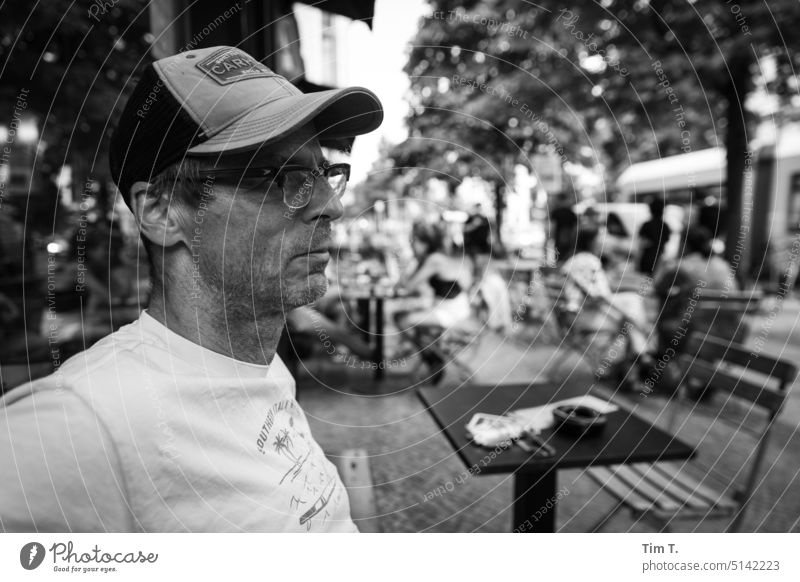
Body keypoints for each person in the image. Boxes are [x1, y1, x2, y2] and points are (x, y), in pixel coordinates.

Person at [0, 46, 383, 532]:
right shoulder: (80, 426)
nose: (331, 206)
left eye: (322, 175)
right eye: (277, 176)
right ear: (161, 212)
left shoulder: (262, 369)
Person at [560, 228, 655, 379]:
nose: (604, 243)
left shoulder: (572, 260)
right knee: (631, 307)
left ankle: (639, 356)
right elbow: (600, 295)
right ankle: (641, 356)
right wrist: (633, 319)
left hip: (573, 318)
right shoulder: (590, 262)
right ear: (592, 242)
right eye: (600, 239)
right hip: (584, 319)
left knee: (630, 310)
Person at [638, 198, 672, 276]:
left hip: (646, 259)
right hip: (659, 258)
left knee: (643, 281)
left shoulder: (646, 225)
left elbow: (641, 244)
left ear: (650, 210)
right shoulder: (665, 226)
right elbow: (666, 242)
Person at [549, 192, 578, 262]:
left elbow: (553, 226)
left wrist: (551, 238)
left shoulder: (556, 212)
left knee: (558, 257)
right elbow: (575, 229)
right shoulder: (572, 213)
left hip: (558, 238)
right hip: (570, 239)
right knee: (568, 258)